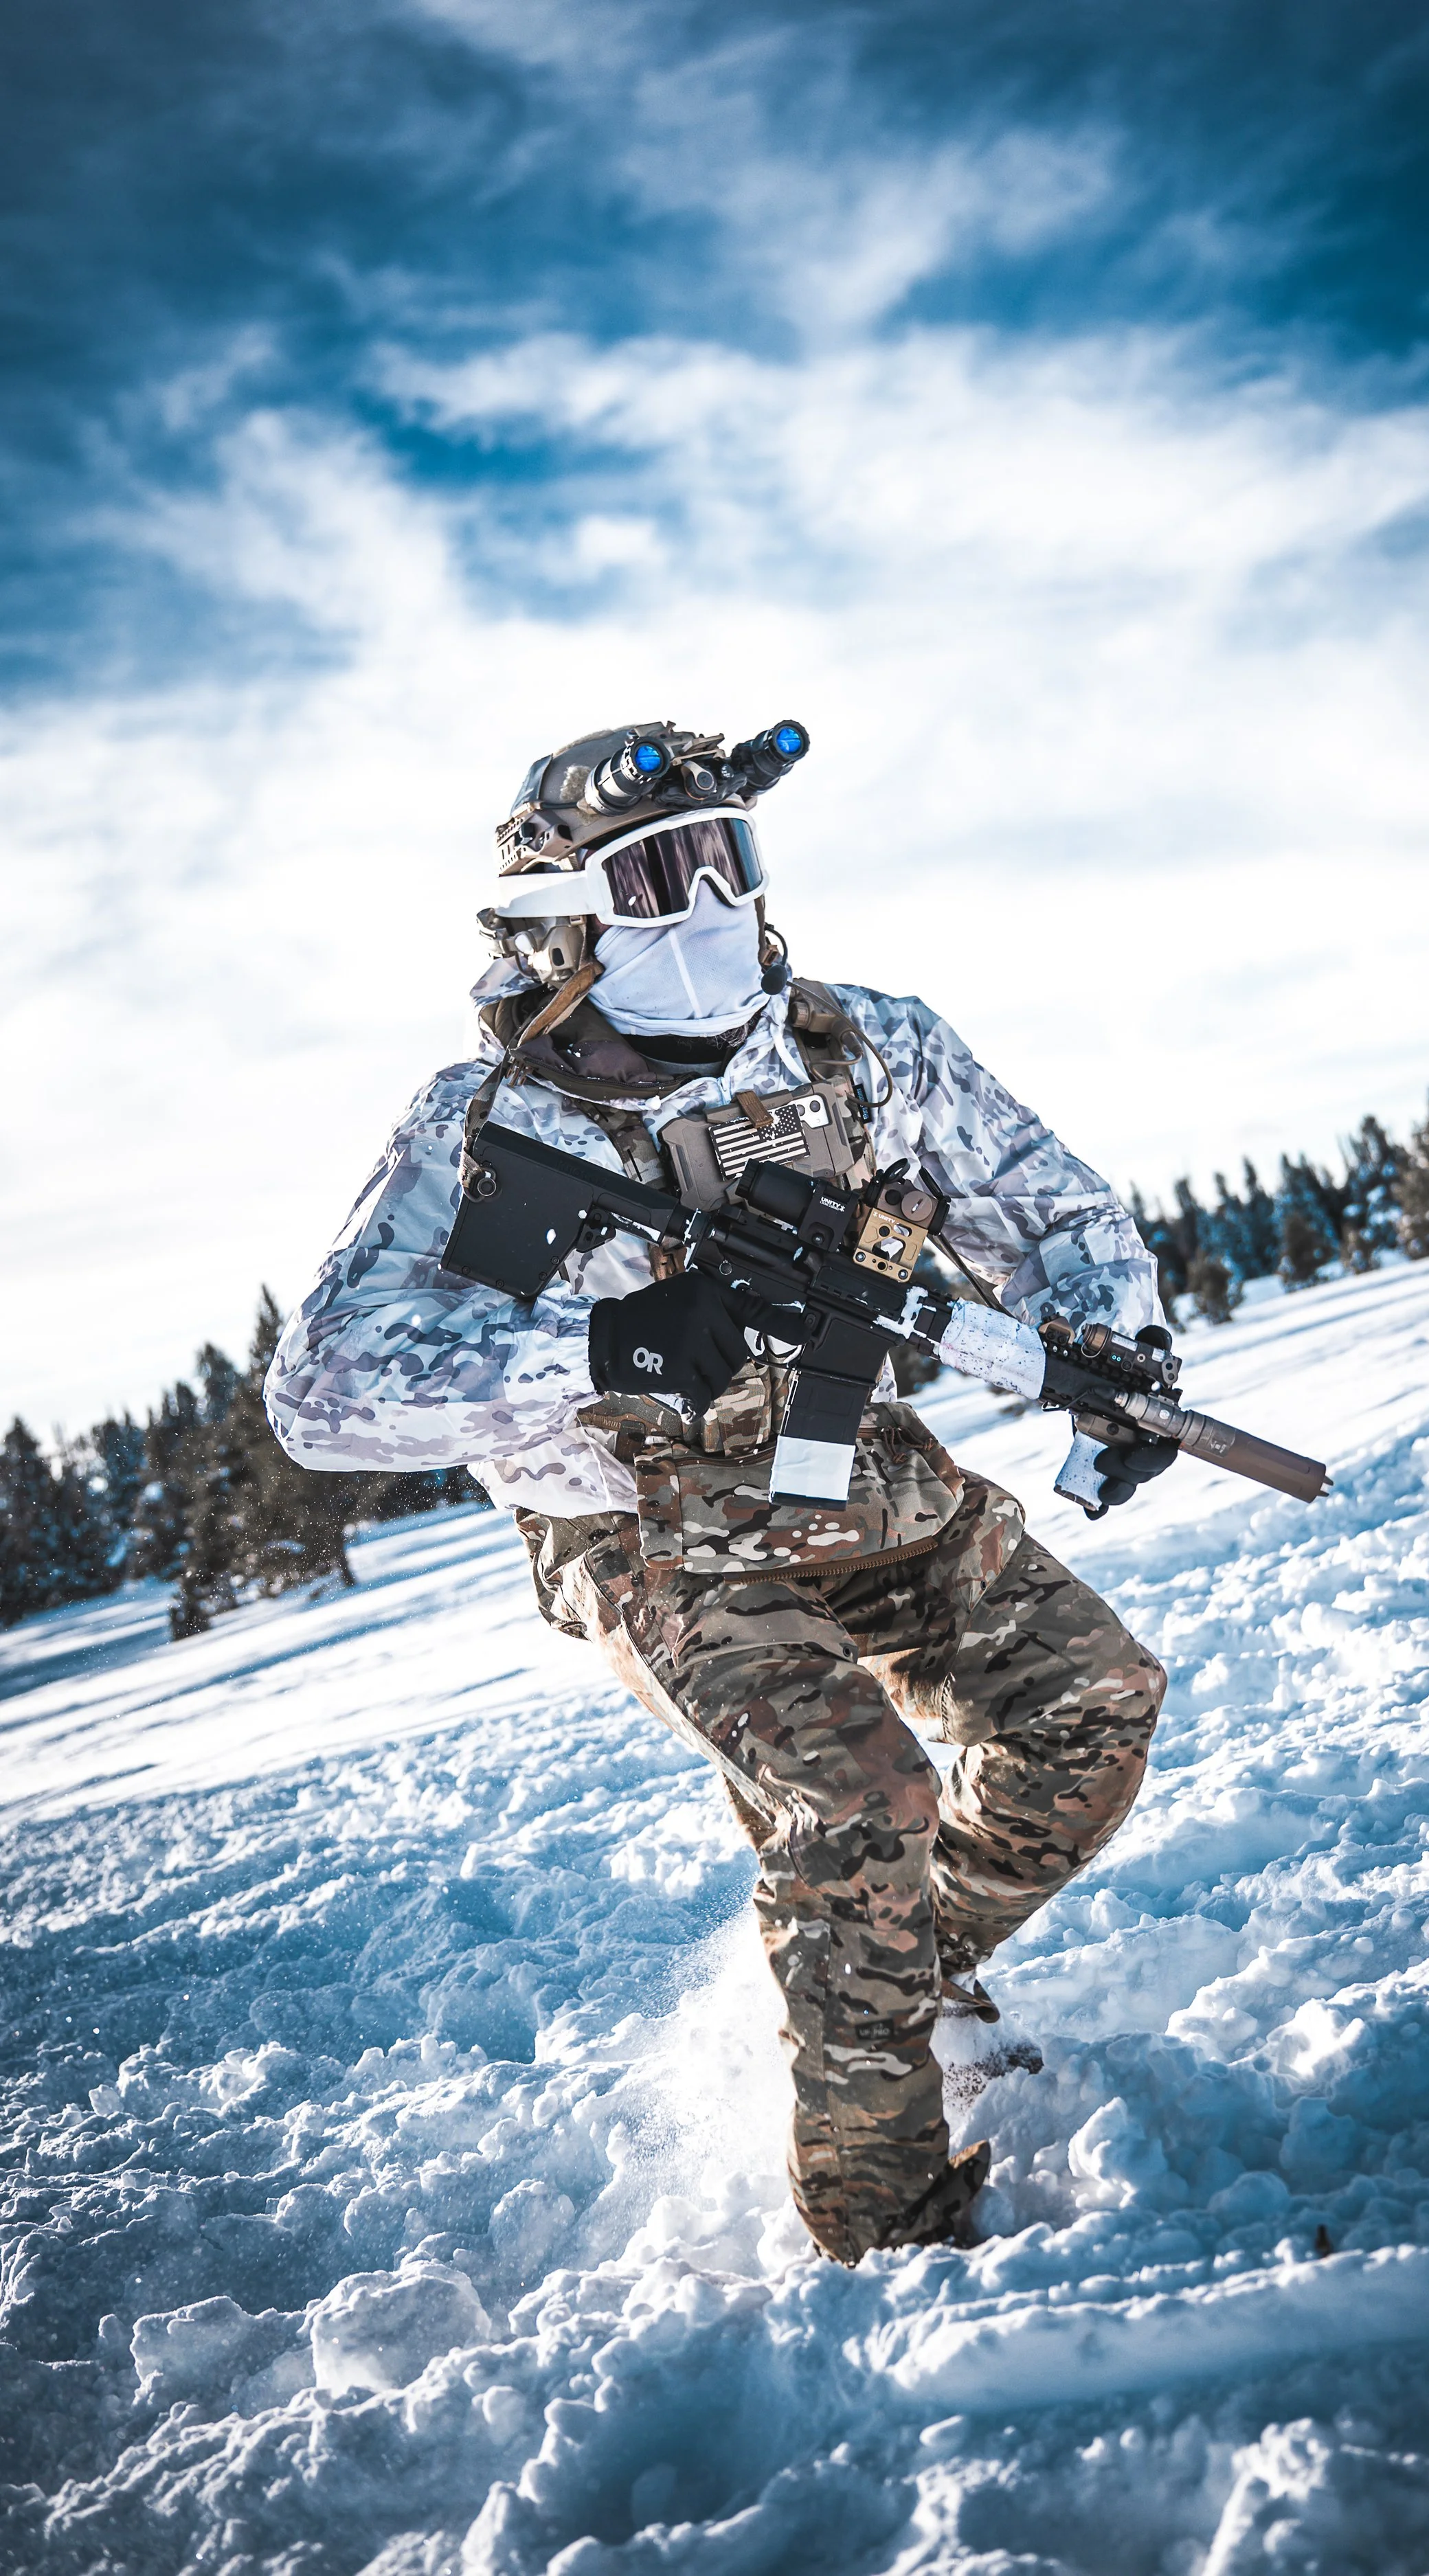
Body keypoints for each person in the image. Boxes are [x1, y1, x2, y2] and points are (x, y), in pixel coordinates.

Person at [267, 719, 1174, 2263]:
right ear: (562, 925)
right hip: (643, 1531)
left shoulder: (859, 1045)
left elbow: (1054, 1212)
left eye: (723, 860)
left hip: (856, 1474)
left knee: (1092, 1702)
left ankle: (896, 1978)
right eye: (652, 875)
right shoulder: (486, 1127)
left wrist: (1116, 1345)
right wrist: (603, 1339)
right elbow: (326, 1391)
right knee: (859, 1801)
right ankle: (883, 2230)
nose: (699, 907)